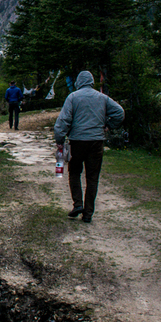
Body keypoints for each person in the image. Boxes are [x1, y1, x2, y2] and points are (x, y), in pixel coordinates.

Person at [53, 70, 125, 223]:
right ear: (91, 82)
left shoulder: (73, 97)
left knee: (74, 172)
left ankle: (78, 204)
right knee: (92, 178)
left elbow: (64, 120)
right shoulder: (102, 98)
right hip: (96, 142)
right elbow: (119, 112)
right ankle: (88, 213)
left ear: (78, 82)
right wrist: (108, 125)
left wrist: (59, 139)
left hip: (77, 141)